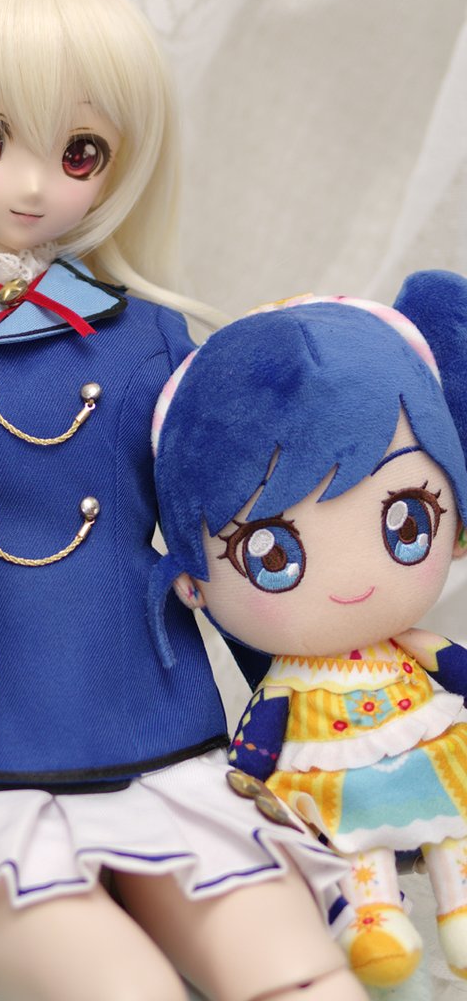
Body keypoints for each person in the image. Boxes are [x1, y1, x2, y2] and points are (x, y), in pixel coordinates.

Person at [0, 0, 363, 1001]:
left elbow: (234, 531)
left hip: (155, 726)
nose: (34, 186)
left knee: (293, 967)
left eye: (80, 153)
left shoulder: (159, 341)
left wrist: (307, 671)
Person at [152, 272, 467, 988]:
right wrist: (245, 784)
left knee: (454, 833)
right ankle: (375, 919)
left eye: (406, 522)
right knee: (355, 854)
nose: (352, 583)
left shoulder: (411, 647)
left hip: (426, 753)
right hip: (334, 788)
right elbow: (256, 748)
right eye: (273, 556)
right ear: (193, 580)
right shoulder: (286, 683)